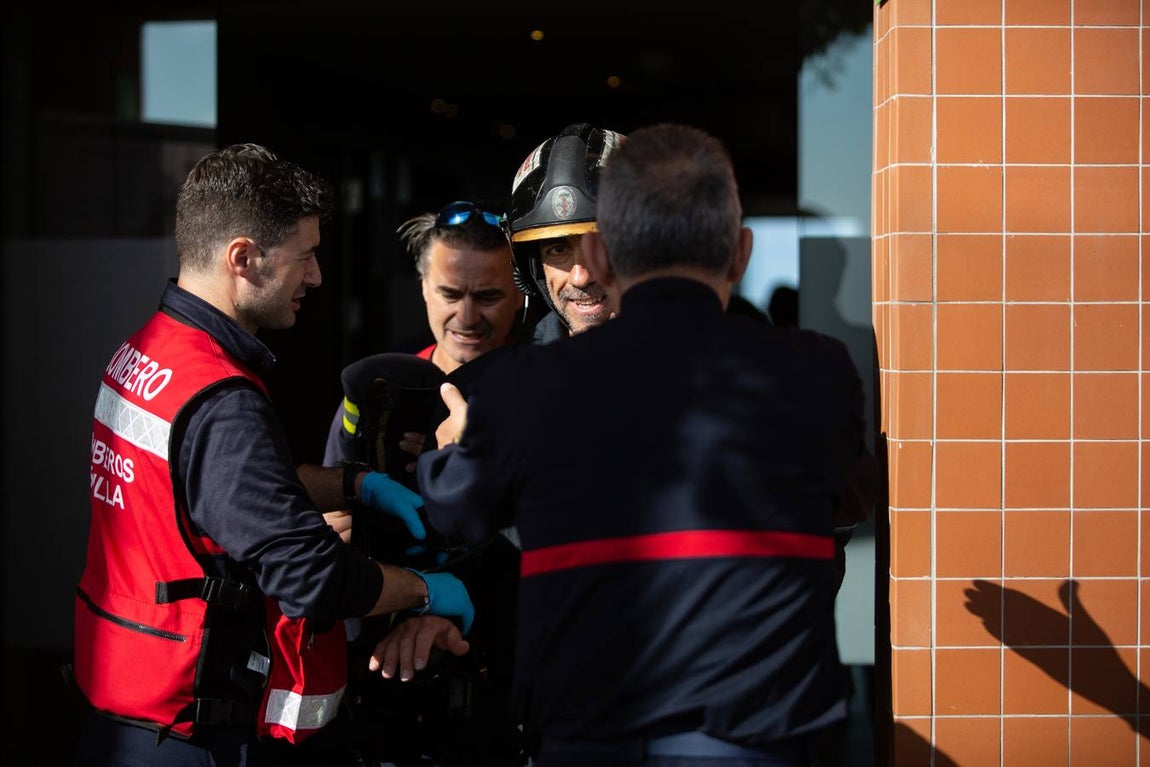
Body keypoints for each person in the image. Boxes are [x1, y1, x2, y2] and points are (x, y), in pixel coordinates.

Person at [398, 123, 878, 766]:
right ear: (527, 268)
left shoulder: (760, 363)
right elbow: (459, 539)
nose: (578, 274)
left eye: (599, 244)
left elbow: (823, 532)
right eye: (555, 249)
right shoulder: (504, 384)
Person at [72, 143, 474, 767]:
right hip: (191, 737)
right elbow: (312, 578)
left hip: (126, 710)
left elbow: (210, 489)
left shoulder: (148, 354)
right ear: (243, 258)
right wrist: (424, 590)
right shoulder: (221, 399)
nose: (315, 276)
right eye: (306, 256)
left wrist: (352, 486)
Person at [504, 122, 625, 342]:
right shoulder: (513, 375)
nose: (580, 278)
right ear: (532, 271)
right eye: (558, 249)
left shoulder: (704, 361)